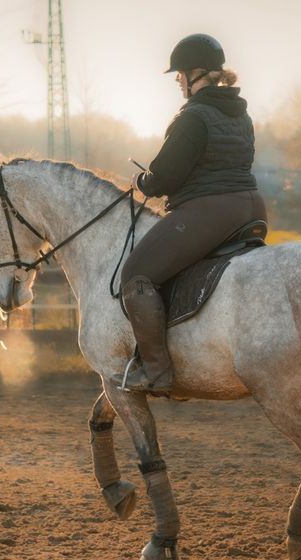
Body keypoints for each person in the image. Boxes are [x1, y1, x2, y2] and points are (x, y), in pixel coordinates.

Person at [111, 33, 268, 393]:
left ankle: (156, 370)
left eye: (180, 74)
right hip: (250, 205)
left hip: (211, 210)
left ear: (197, 73)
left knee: (136, 274)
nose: (178, 81)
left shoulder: (193, 118)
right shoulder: (240, 114)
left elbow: (164, 176)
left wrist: (142, 181)